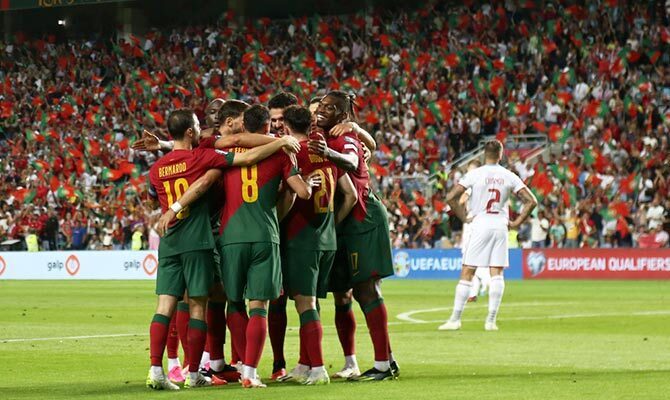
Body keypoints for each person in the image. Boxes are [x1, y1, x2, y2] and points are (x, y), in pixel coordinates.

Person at [157, 104, 314, 389]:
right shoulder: (281, 152)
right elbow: (299, 191)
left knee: (230, 302)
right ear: (267, 126)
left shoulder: (218, 155)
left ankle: (193, 364)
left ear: (244, 124)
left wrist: (163, 145)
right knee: (260, 306)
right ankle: (249, 372)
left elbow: (205, 151)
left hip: (228, 236)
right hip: (265, 234)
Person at [309, 91, 398, 381]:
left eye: (329, 108)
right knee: (346, 292)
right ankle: (385, 360)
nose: (322, 111)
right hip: (346, 221)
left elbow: (348, 158)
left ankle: (383, 365)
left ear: (342, 115)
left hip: (362, 218)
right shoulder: (324, 135)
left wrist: (329, 152)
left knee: (367, 290)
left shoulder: (342, 138)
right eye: (320, 106)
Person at [277, 105, 357, 385]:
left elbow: (285, 193)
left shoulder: (289, 153)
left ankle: (318, 368)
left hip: (302, 239)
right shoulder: (324, 150)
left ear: (286, 127)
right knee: (310, 304)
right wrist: (331, 227)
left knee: (305, 303)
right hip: (327, 240)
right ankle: (304, 363)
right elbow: (351, 195)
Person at [439, 140, 537, 331]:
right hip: (500, 225)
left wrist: (464, 217)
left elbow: (451, 197)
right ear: (501, 155)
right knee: (497, 273)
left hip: (480, 223)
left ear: (484, 155)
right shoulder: (509, 175)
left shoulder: (475, 174)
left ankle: (455, 319)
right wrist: (516, 223)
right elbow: (531, 201)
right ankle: (490, 321)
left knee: (468, 271)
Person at [458, 160, 490, 303]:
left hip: (472, 222)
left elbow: (461, 199)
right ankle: (473, 293)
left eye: (470, 169)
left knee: (468, 259)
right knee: (473, 258)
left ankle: (487, 280)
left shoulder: (473, 184)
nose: (468, 172)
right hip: (481, 221)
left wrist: (462, 201)